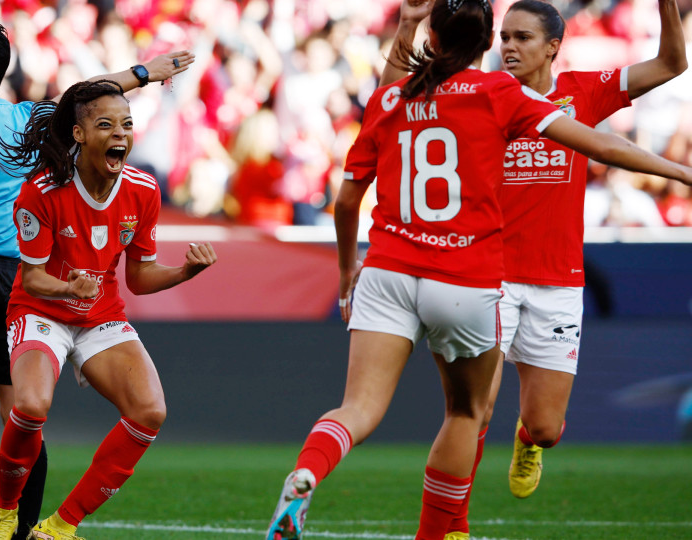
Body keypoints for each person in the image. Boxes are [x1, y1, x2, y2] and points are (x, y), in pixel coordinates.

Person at [264, 1, 692, 539]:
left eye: (523, 37)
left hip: (501, 277)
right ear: (488, 40)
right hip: (479, 275)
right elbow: (603, 144)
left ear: (553, 45)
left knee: (538, 426)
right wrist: (681, 173)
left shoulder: (557, 92)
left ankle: (316, 473)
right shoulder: (497, 94)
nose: (511, 46)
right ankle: (449, 529)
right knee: (472, 411)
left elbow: (375, 132)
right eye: (504, 35)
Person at [0, 16, 194, 540]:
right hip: (16, 280)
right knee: (22, 417)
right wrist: (145, 72)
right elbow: (88, 99)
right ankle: (25, 530)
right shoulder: (34, 118)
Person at [0, 79, 216, 540]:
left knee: (149, 411)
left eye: (126, 124)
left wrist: (186, 271)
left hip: (99, 315)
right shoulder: (41, 191)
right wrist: (68, 283)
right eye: (105, 124)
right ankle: (4, 513)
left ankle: (59, 528)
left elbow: (140, 278)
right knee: (30, 405)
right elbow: (31, 279)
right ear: (79, 135)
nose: (120, 134)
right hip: (42, 309)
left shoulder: (144, 190)